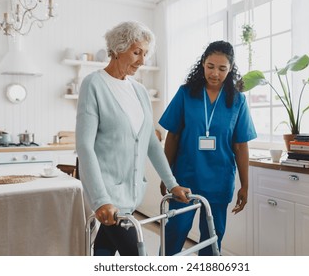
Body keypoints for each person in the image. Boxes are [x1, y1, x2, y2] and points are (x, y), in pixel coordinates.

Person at [76, 21, 191, 256]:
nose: (142, 61)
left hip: (132, 195)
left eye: (145, 54)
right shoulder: (94, 84)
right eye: (137, 52)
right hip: (108, 197)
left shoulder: (139, 91)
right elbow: (85, 147)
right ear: (117, 49)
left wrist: (172, 183)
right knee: (138, 256)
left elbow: (150, 142)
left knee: (104, 250)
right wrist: (100, 200)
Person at [159, 40, 257, 256]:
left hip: (219, 179)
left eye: (222, 68)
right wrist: (167, 177)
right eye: (210, 66)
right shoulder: (186, 93)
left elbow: (241, 146)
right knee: (175, 231)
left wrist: (245, 185)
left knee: (213, 237)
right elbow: (172, 136)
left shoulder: (237, 100)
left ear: (230, 69)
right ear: (202, 64)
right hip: (185, 178)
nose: (215, 73)